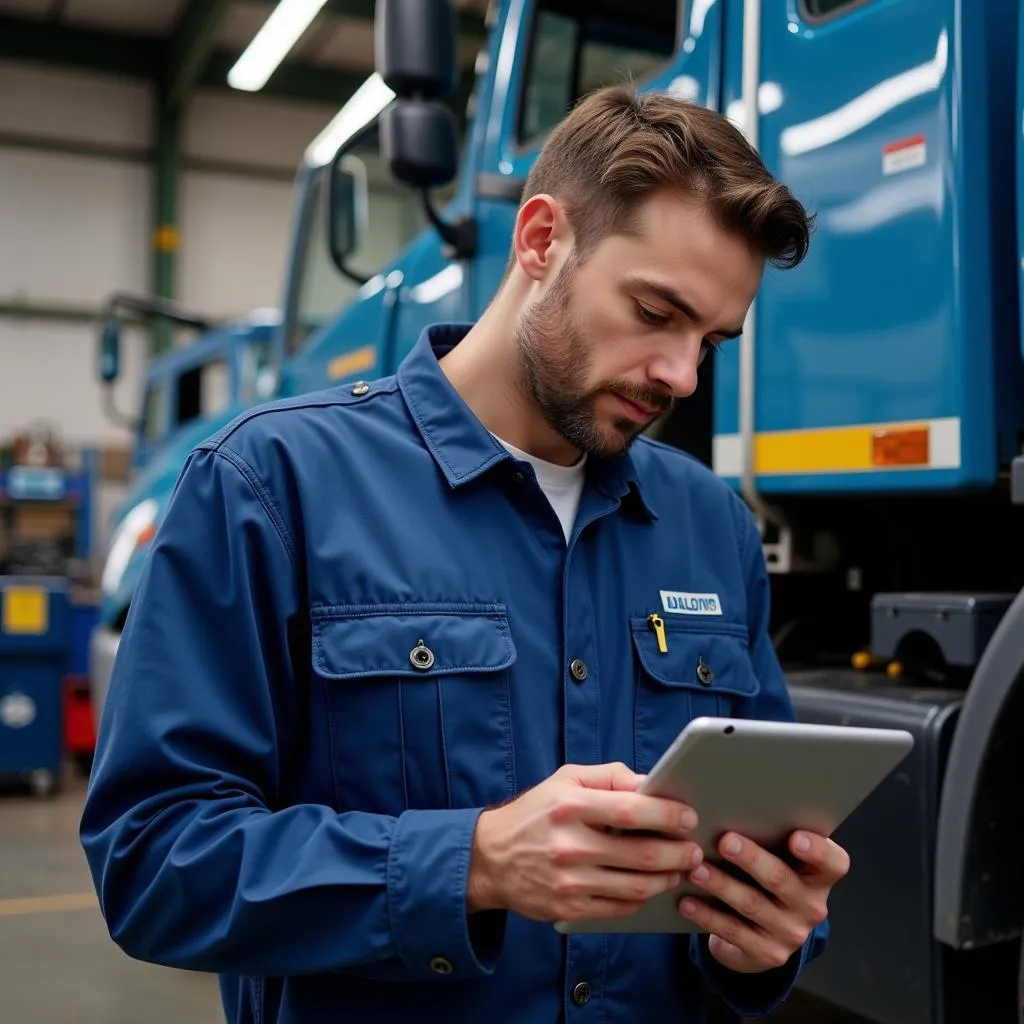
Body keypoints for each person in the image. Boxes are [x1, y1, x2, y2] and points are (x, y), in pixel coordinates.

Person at [80, 84, 848, 1024]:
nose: (681, 376)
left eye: (711, 341)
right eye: (655, 312)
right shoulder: (272, 484)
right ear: (538, 241)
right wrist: (474, 863)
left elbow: (756, 869)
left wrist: (764, 940)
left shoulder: (710, 525)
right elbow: (151, 859)